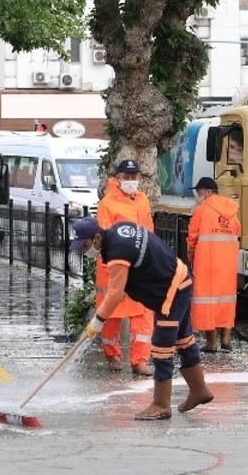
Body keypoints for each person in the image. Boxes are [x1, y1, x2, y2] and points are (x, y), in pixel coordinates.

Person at [73, 216, 213, 421]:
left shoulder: (117, 251)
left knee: (161, 348)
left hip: (170, 291)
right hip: (180, 280)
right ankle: (199, 390)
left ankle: (161, 404)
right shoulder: (120, 229)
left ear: (96, 237)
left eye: (85, 245)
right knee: (183, 340)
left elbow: (115, 293)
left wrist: (98, 320)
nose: (85, 251)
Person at [94, 159, 155, 377]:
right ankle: (113, 355)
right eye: (127, 177)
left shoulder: (142, 200)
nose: (131, 181)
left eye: (134, 177)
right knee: (112, 314)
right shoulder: (107, 203)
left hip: (140, 265)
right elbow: (105, 237)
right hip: (117, 266)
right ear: (118, 178)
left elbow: (149, 231)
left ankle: (140, 360)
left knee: (143, 315)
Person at [187, 177, 241, 353]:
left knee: (206, 302)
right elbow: (237, 232)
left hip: (206, 263)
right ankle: (226, 339)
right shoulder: (232, 210)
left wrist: (191, 256)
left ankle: (212, 343)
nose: (198, 195)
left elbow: (193, 237)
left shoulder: (202, 210)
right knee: (226, 299)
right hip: (228, 263)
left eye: (199, 191)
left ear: (207, 192)